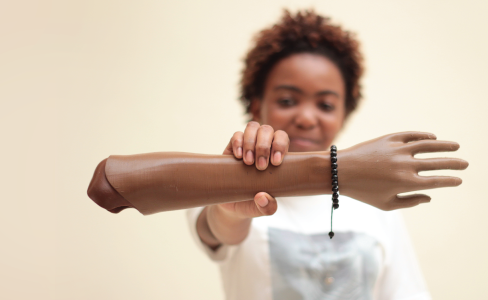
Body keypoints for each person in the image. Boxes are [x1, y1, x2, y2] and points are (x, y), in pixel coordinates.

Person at [185, 10, 445, 300]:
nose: (307, 118)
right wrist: (229, 197)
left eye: (325, 105)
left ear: (344, 114)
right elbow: (218, 229)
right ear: (257, 107)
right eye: (287, 100)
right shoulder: (227, 183)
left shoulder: (375, 200)